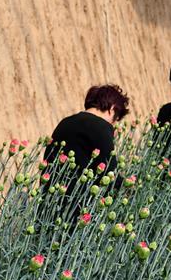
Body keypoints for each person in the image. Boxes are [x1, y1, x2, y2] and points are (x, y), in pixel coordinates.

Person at [44, 84, 130, 222]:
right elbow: (109, 172)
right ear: (112, 108)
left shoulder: (65, 122)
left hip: (48, 207)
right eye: (116, 118)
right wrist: (130, 189)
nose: (113, 124)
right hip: (75, 214)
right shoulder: (102, 127)